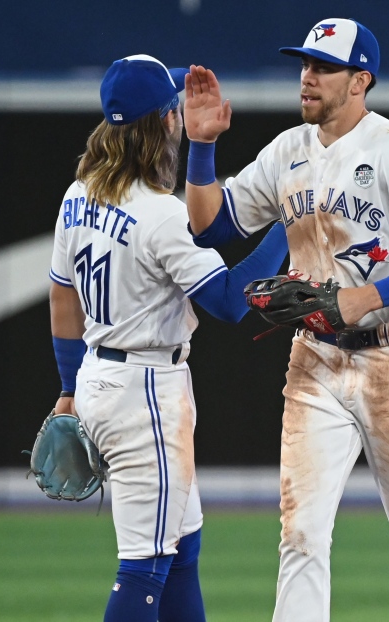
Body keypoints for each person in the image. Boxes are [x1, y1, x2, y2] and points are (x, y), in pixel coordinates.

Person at [182, 19, 389, 622]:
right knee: (299, 535)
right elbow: (212, 227)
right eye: (304, 65)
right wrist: (200, 148)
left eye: (323, 67)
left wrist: (364, 297)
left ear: (360, 81)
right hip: (316, 359)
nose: (307, 77)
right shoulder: (287, 151)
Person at [48, 54, 287, 622]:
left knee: (181, 549)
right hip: (146, 391)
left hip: (98, 379)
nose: (182, 113)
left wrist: (66, 388)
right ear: (165, 123)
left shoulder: (77, 195)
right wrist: (286, 229)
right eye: (174, 106)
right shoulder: (159, 215)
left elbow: (63, 299)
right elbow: (230, 302)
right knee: (144, 565)